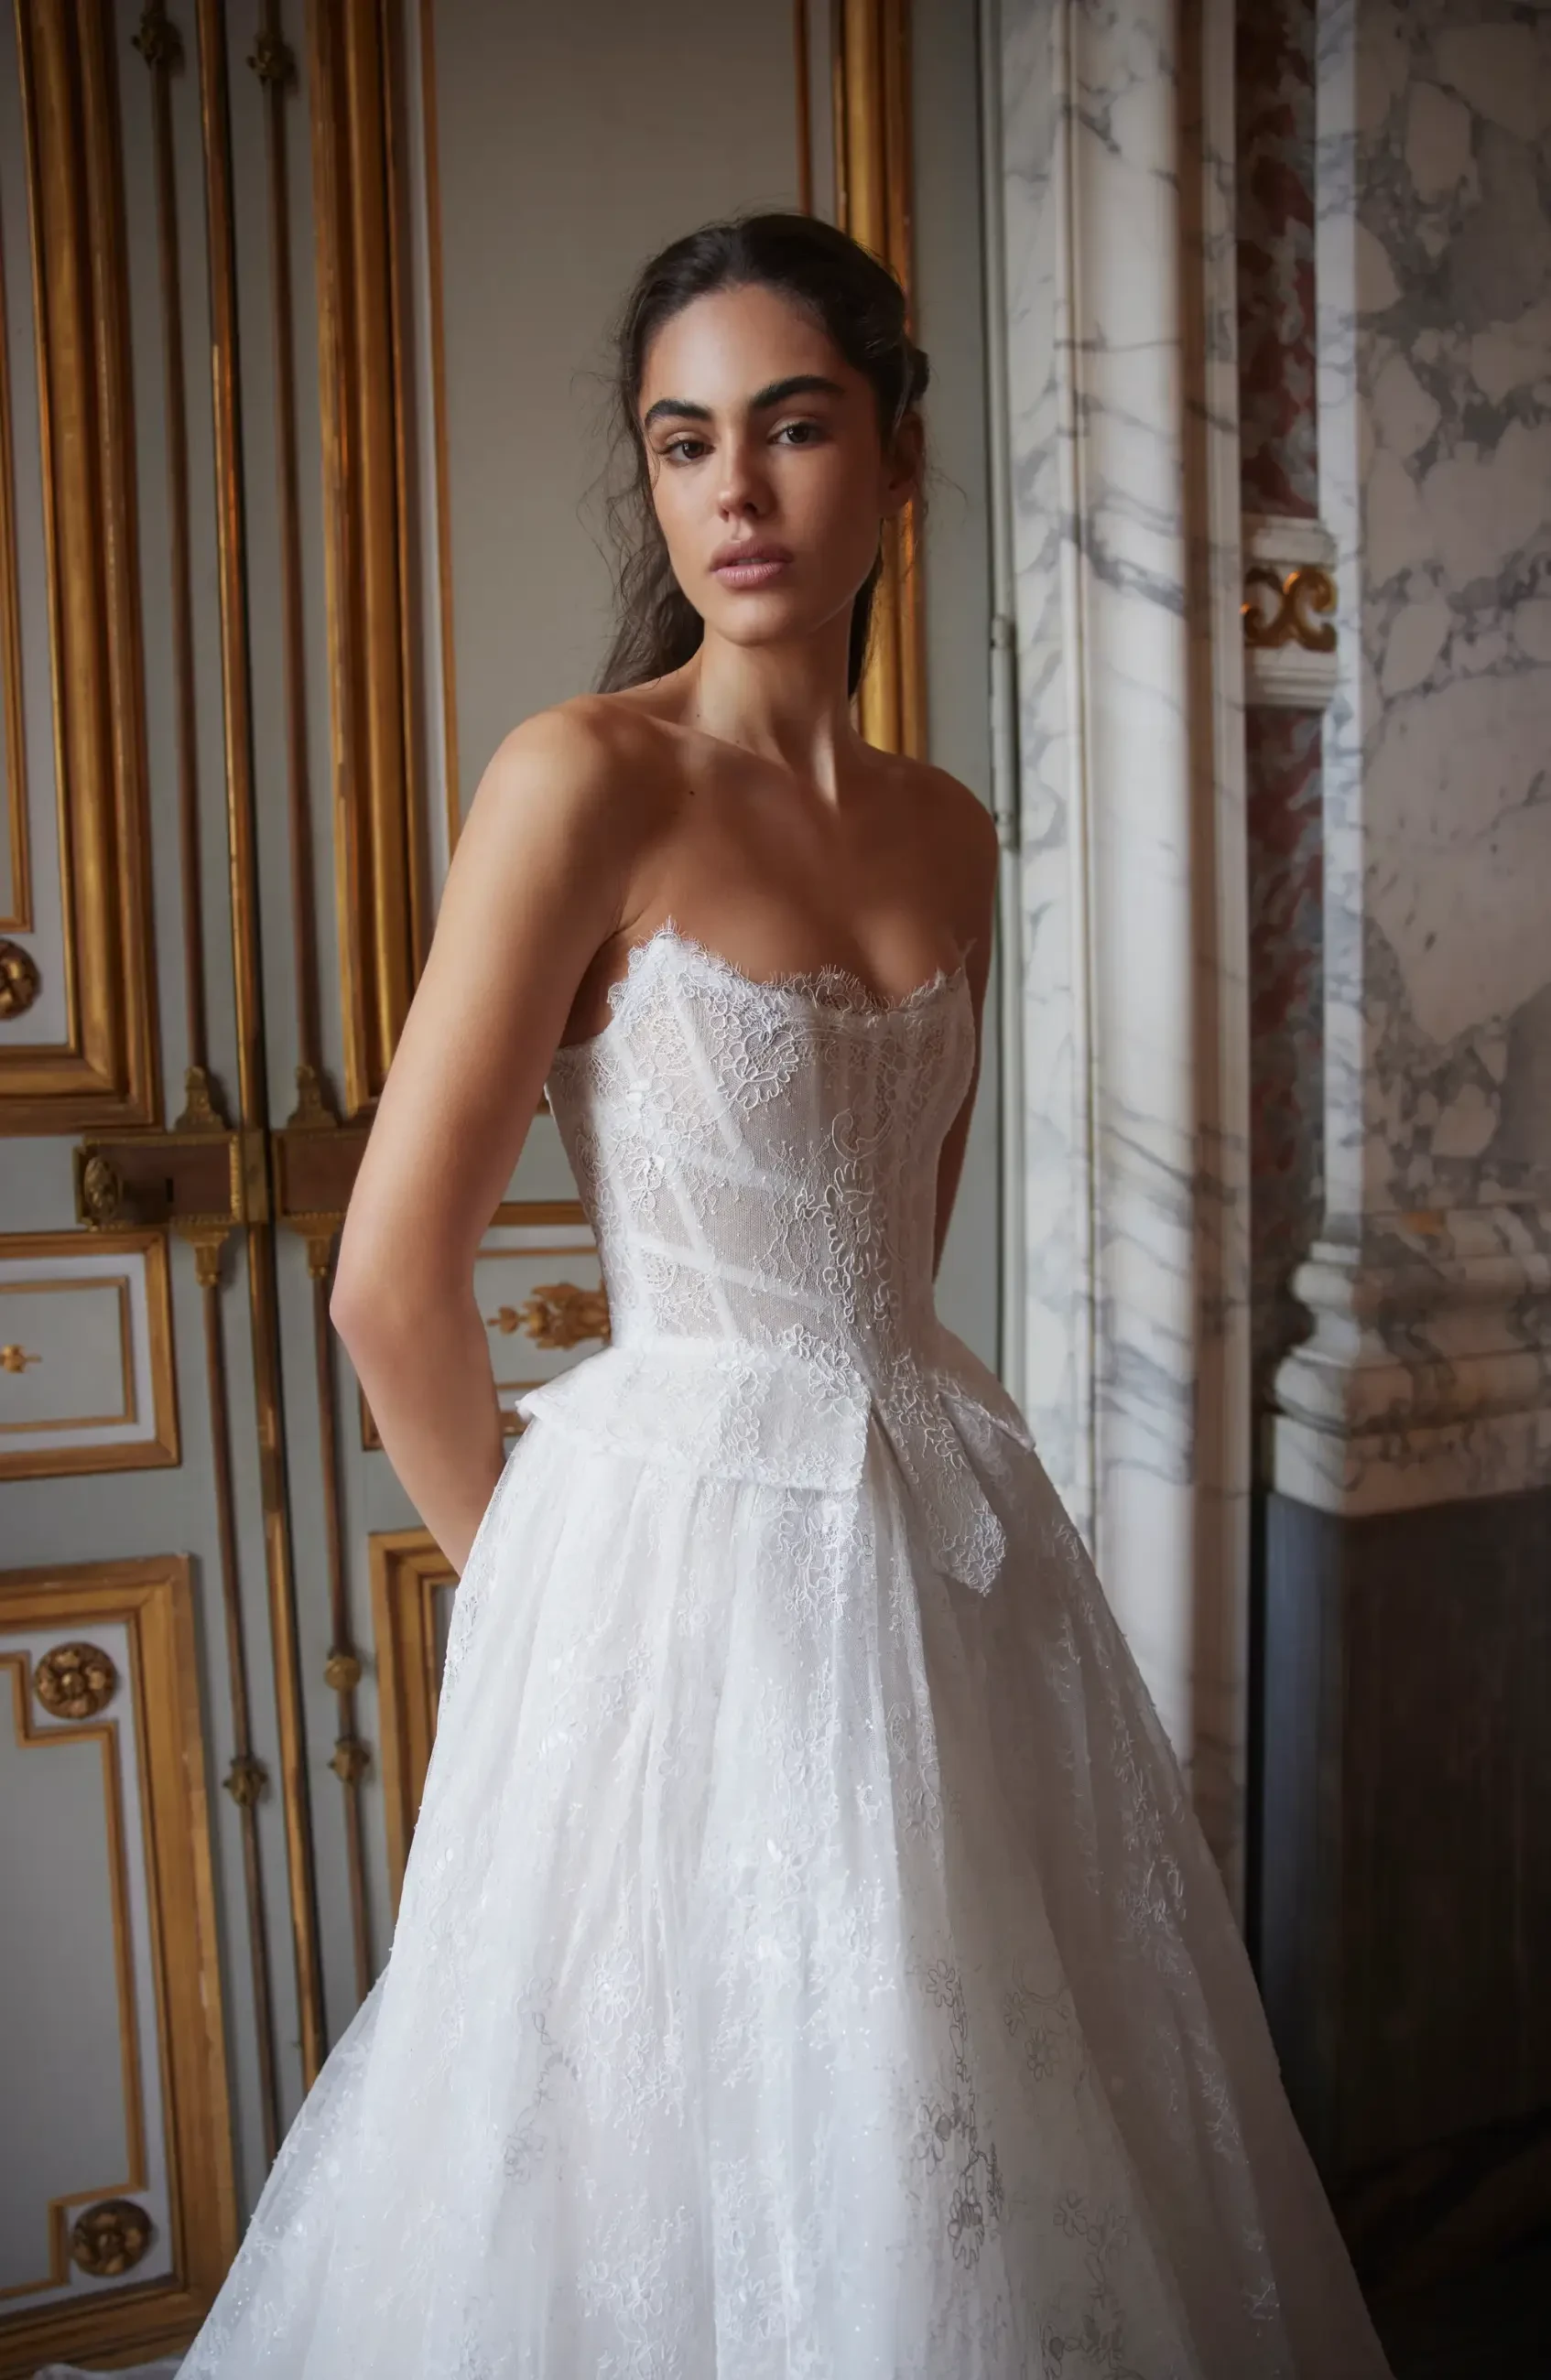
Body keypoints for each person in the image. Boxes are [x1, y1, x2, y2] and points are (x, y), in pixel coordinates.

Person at [41, 211, 1394, 2378]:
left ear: (893, 462)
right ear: (652, 480)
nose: (735, 494)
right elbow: (393, 1284)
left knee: (957, 2097)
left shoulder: (950, 831)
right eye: (685, 444)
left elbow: (900, 1251)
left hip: (944, 1556)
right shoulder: (582, 778)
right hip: (668, 1577)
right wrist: (562, 1603)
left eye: (790, 427)